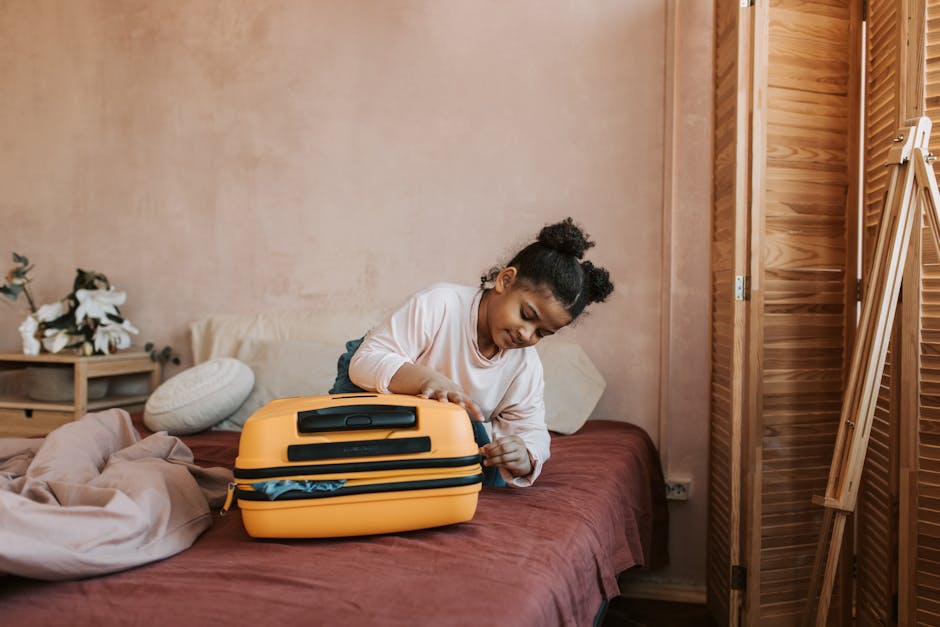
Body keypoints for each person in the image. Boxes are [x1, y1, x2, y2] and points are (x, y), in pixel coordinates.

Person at [335, 217, 613, 487]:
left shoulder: (524, 366)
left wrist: (524, 454)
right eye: (527, 315)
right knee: (340, 438)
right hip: (381, 397)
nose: (527, 335)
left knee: (483, 452)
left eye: (542, 333)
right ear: (505, 280)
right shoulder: (440, 304)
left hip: (434, 432)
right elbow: (365, 363)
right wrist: (425, 380)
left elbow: (531, 428)